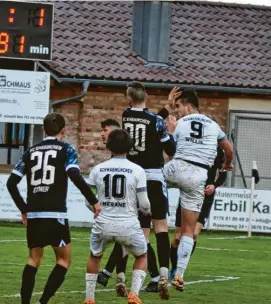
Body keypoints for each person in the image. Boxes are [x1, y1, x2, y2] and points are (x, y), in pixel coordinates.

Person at [7, 113, 101, 304]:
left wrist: (24, 209)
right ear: (63, 130)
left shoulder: (31, 151)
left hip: (34, 214)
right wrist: (94, 201)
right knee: (63, 260)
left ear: (43, 130)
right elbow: (75, 176)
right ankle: (43, 302)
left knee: (33, 259)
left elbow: (11, 183)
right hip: (55, 213)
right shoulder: (66, 149)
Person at [99, 82, 177, 299]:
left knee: (133, 230)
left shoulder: (125, 116)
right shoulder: (155, 121)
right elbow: (170, 147)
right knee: (160, 228)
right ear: (146, 96)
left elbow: (146, 118)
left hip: (132, 178)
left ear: (129, 98)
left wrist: (164, 112)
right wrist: (168, 132)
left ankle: (121, 277)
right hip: (152, 177)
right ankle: (162, 275)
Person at [163, 88, 234, 291]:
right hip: (198, 177)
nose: (178, 111)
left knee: (146, 179)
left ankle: (140, 208)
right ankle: (180, 274)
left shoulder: (180, 122)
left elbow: (169, 145)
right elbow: (228, 148)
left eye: (179, 107)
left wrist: (169, 123)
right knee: (188, 231)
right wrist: (227, 164)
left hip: (178, 166)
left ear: (187, 104)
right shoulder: (213, 125)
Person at [84, 129, 151, 304]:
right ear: (129, 146)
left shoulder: (97, 170)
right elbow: (144, 204)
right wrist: (146, 211)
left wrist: (98, 210)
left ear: (109, 147)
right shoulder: (137, 170)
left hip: (103, 222)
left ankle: (89, 299)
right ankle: (134, 294)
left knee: (95, 255)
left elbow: (88, 201)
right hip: (128, 223)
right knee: (142, 255)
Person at [169, 117, 228, 278]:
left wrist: (214, 185)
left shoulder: (220, 152)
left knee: (194, 234)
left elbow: (223, 174)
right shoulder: (193, 147)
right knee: (177, 238)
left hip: (205, 196)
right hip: (190, 191)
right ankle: (173, 268)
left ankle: (180, 271)